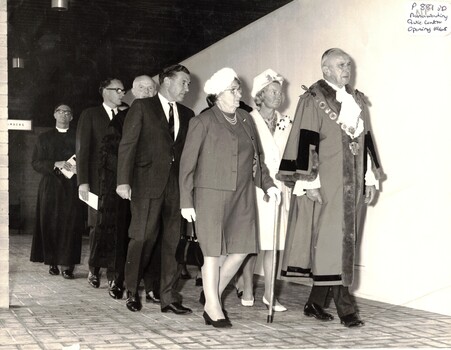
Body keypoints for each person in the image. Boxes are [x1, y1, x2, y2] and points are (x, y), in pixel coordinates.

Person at [277, 48, 383, 328]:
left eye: (348, 64)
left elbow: (366, 139)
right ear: (325, 69)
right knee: (333, 244)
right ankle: (347, 310)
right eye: (340, 65)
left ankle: (314, 303)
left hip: (354, 184)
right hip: (328, 183)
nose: (346, 69)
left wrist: (369, 179)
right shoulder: (313, 99)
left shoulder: (356, 99)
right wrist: (309, 181)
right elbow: (305, 138)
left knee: (341, 243)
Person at [179, 67, 280, 328]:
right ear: (217, 94)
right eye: (233, 91)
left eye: (239, 90)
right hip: (211, 195)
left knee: (243, 249)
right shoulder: (202, 122)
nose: (239, 95)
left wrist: (268, 185)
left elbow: (257, 159)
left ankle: (211, 293)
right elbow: (187, 165)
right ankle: (213, 306)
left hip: (243, 194)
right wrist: (186, 201)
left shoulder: (246, 119)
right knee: (212, 253)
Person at [116, 64, 194, 314]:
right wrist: (123, 181)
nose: (187, 88)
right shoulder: (142, 106)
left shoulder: (188, 113)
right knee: (142, 237)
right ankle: (131, 290)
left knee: (173, 241)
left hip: (176, 186)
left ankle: (168, 297)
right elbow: (127, 144)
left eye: (189, 84)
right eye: (183, 82)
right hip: (146, 182)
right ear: (167, 82)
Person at [96, 75, 161, 301]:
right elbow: (112, 156)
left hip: (152, 188)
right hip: (128, 189)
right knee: (125, 236)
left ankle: (152, 285)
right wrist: (127, 181)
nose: (147, 92)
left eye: (151, 88)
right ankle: (118, 281)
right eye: (142, 88)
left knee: (153, 237)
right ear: (133, 92)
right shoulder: (120, 119)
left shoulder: (162, 117)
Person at [234, 69, 292, 312]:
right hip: (254, 188)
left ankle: (269, 293)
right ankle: (247, 286)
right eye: (273, 91)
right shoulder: (247, 120)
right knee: (252, 243)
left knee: (274, 242)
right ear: (259, 95)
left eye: (280, 91)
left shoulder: (287, 122)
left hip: (280, 189)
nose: (279, 95)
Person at [76, 78, 125, 289]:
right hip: (96, 183)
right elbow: (82, 150)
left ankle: (114, 273)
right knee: (97, 225)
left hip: (119, 182)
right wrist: (83, 182)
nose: (122, 94)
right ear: (105, 91)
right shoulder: (90, 115)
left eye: (123, 90)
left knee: (117, 227)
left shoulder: (126, 115)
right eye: (118, 90)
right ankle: (94, 269)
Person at [30, 103, 84, 279]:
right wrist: (55, 164)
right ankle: (52, 261)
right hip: (50, 186)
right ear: (54, 115)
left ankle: (68, 265)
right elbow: (36, 162)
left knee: (70, 226)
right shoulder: (43, 137)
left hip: (71, 187)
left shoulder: (78, 136)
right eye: (60, 112)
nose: (63, 115)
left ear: (72, 117)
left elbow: (86, 157)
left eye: (67, 112)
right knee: (50, 223)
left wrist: (79, 168)